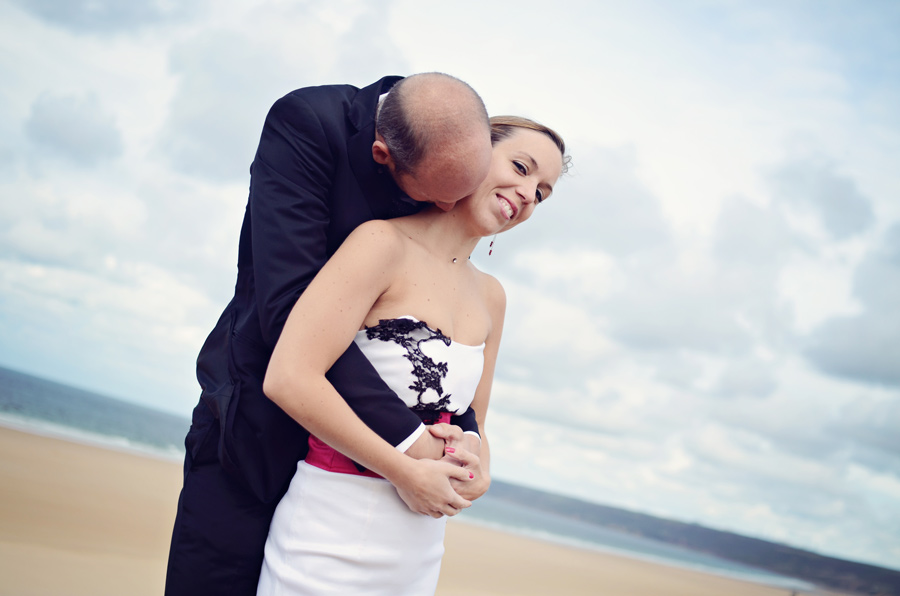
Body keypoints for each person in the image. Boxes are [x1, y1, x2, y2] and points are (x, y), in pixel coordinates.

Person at [165, 73, 494, 595]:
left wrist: (461, 439)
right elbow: (287, 308)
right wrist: (410, 441)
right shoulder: (307, 124)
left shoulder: (443, 139)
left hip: (354, 477)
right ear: (383, 155)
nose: (449, 209)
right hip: (256, 423)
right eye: (437, 196)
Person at [257, 116, 569, 595]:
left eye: (543, 192)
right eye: (521, 167)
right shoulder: (381, 243)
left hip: (419, 551)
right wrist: (404, 471)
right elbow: (289, 378)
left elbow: (474, 419)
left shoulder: (493, 297)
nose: (529, 193)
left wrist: (478, 467)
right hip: (328, 532)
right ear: (473, 154)